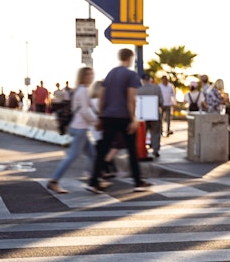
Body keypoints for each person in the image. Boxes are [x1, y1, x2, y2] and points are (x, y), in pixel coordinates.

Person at [86, 48, 152, 194]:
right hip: (123, 116)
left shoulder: (110, 74)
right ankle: (138, 182)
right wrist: (133, 119)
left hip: (108, 116)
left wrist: (101, 116)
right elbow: (131, 98)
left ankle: (94, 181)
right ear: (130, 58)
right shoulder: (131, 75)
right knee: (132, 150)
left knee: (103, 149)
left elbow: (102, 96)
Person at [47, 67, 97, 194]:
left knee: (93, 155)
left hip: (79, 127)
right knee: (72, 156)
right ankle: (54, 180)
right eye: (89, 75)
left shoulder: (79, 90)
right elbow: (85, 111)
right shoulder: (84, 90)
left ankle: (94, 181)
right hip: (80, 128)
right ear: (84, 77)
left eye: (92, 74)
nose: (91, 77)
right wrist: (96, 122)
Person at [137, 73, 163, 158]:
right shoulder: (157, 88)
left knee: (143, 134)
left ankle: (144, 149)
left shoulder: (138, 90)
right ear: (150, 79)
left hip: (142, 116)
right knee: (155, 133)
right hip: (154, 114)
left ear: (142, 80)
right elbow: (161, 102)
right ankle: (155, 150)